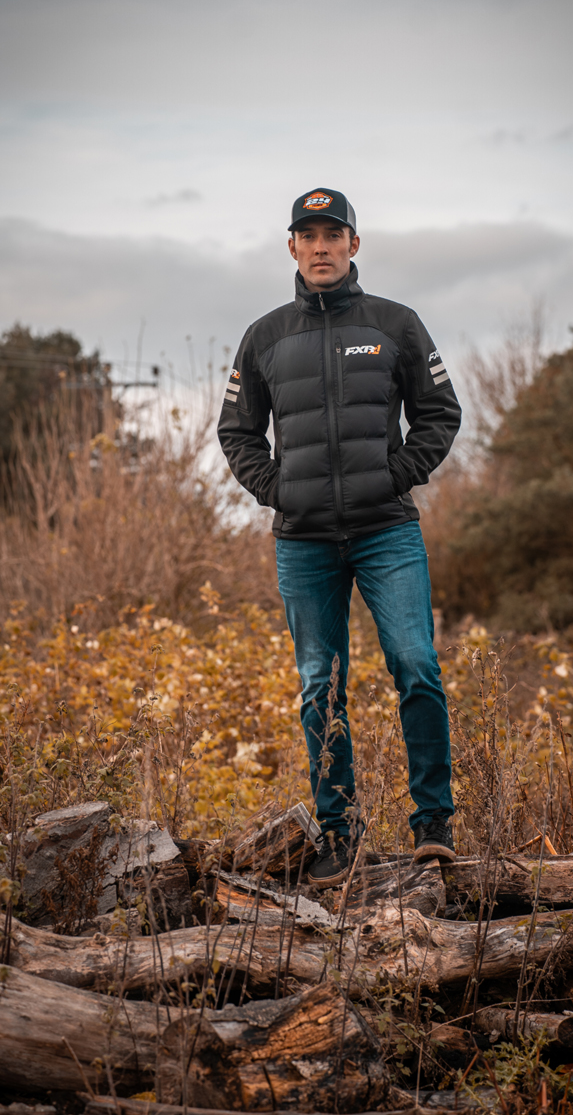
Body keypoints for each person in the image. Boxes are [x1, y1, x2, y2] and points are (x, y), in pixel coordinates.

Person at [218, 187, 462, 887]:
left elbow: (440, 413)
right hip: (303, 541)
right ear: (292, 247)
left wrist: (396, 476)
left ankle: (433, 824)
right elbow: (237, 431)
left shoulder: (396, 323)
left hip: (386, 531)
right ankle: (338, 834)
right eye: (309, 235)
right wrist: (278, 490)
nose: (321, 247)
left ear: (354, 244)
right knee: (318, 686)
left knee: (415, 665)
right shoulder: (264, 337)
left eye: (333, 234)